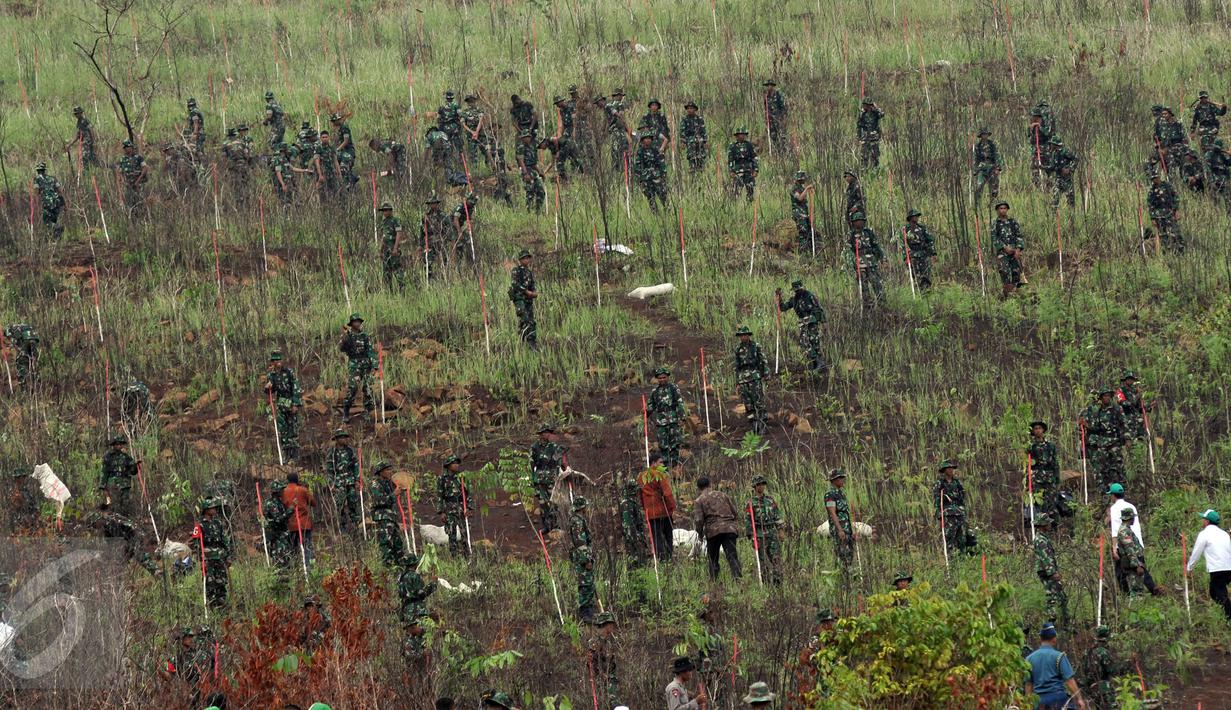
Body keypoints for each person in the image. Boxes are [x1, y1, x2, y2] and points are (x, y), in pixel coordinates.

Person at [1025, 623, 1086, 709]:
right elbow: (1069, 681)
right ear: (1054, 639)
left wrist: (1028, 704)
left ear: (1040, 639)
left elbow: (1028, 684)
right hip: (1058, 700)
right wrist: (1079, 699)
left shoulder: (1029, 659)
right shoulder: (1059, 656)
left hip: (1038, 701)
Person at [1080, 387, 1129, 492]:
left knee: (1118, 464)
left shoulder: (1116, 409)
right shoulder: (1098, 412)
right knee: (1104, 466)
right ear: (1101, 398)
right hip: (1102, 442)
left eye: (1108, 396)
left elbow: (1124, 423)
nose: (1106, 398)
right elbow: (1097, 428)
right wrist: (1086, 425)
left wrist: (1127, 438)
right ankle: (1108, 489)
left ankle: (1123, 487)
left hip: (1115, 440)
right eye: (1104, 396)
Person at [694, 476, 741, 581]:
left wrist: (700, 534)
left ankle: (714, 582)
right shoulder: (723, 495)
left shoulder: (699, 500)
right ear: (710, 484)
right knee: (732, 557)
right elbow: (735, 513)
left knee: (713, 559)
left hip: (713, 532)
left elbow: (699, 520)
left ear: (698, 488)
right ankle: (738, 580)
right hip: (729, 529)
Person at [1188, 509, 1231, 621]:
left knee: (1218, 593)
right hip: (1228, 567)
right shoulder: (1224, 533)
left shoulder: (1204, 534)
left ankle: (1229, 615)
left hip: (1217, 568)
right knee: (1215, 591)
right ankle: (1225, 610)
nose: (1202, 520)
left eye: (1203, 519)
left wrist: (1189, 567)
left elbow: (1197, 552)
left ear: (1207, 521)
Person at [777, 280, 826, 374]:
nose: (797, 292)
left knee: (814, 342)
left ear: (802, 288)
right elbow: (783, 307)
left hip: (812, 322)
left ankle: (819, 364)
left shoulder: (810, 296)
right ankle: (815, 363)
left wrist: (823, 322)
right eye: (796, 290)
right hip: (803, 324)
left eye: (799, 290)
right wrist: (779, 297)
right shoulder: (794, 299)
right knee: (804, 343)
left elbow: (819, 309)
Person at [397, 551, 437, 660]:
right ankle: (420, 657)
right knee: (421, 634)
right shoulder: (414, 576)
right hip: (416, 609)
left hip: (406, 610)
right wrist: (433, 584)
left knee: (411, 634)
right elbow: (422, 593)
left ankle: (410, 656)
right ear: (415, 564)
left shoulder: (401, 578)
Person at [265, 351, 303, 462]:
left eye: (279, 360)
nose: (277, 362)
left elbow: (296, 388)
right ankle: (287, 455)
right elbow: (270, 391)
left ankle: (294, 455)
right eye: (275, 360)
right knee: (283, 430)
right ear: (272, 362)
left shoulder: (289, 372)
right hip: (281, 405)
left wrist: (296, 404)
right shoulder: (271, 375)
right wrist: (267, 387)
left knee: (293, 429)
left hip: (290, 403)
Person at [338, 313, 376, 422]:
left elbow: (370, 351)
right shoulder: (348, 335)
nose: (357, 323)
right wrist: (345, 336)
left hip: (366, 364)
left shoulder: (365, 336)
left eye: (359, 321)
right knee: (353, 388)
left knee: (368, 388)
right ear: (351, 324)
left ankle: (367, 412)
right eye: (355, 321)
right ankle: (346, 412)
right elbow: (342, 348)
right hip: (354, 364)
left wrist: (374, 365)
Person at [195, 498, 232, 610]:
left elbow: (224, 540)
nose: (214, 509)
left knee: (221, 581)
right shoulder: (200, 525)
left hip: (219, 557)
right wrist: (202, 560)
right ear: (206, 510)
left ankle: (222, 603)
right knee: (210, 582)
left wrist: (228, 556)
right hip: (208, 558)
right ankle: (211, 605)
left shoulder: (218, 523)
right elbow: (197, 545)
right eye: (212, 507)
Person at [1033, 513, 1068, 629]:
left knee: (1060, 597)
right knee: (1052, 598)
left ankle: (1062, 623)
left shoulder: (1042, 538)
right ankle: (1052, 625)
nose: (1050, 524)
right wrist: (1053, 573)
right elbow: (1046, 558)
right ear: (1043, 525)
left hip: (1047, 571)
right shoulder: (1041, 540)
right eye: (1047, 523)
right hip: (1047, 572)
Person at [647, 366, 687, 467]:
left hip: (673, 419)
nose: (662, 379)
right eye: (660, 378)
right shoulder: (654, 391)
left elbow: (680, 403)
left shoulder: (673, 388)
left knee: (675, 443)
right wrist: (646, 413)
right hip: (661, 421)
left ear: (667, 377)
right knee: (662, 444)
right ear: (657, 379)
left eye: (664, 377)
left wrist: (682, 417)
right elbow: (651, 405)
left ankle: (675, 464)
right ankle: (664, 465)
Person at [640, 454, 677, 562]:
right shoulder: (660, 474)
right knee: (668, 536)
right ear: (653, 463)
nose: (663, 464)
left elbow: (641, 495)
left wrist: (645, 509)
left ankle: (661, 559)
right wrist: (672, 508)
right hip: (664, 512)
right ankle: (668, 559)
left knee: (656, 538)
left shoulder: (641, 477)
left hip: (650, 514)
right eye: (660, 462)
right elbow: (667, 493)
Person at [733, 325, 769, 433]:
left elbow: (763, 360)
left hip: (754, 377)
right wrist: (737, 382)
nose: (743, 337)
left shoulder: (755, 346)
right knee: (748, 404)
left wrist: (766, 374)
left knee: (758, 402)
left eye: (745, 335)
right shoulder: (738, 349)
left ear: (748, 335)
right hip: (743, 379)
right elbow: (737, 366)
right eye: (741, 335)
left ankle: (762, 425)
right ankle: (754, 425)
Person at [746, 476, 782, 584]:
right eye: (759, 484)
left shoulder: (770, 500)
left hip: (771, 532)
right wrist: (751, 536)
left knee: (776, 559)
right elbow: (748, 520)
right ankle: (766, 584)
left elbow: (777, 515)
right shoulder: (751, 503)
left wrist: (780, 530)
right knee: (763, 562)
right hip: (759, 534)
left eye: (763, 484)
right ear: (755, 486)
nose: (761, 486)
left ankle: (778, 584)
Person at [1114, 508, 1157, 597]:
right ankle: (1136, 606)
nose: (1134, 519)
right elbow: (1129, 550)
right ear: (1129, 518)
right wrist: (1137, 565)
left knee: (1139, 586)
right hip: (1133, 563)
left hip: (1135, 561)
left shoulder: (1127, 529)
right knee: (1137, 589)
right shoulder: (1124, 531)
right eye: (1132, 517)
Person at [529, 424, 563, 533]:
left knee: (554, 502)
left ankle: (556, 525)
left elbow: (560, 461)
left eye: (548, 432)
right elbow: (531, 463)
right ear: (541, 434)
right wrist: (531, 479)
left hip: (552, 479)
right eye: (544, 432)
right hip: (539, 479)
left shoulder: (554, 446)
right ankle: (547, 526)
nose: (547, 434)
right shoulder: (535, 447)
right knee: (543, 504)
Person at [933, 459, 972, 555]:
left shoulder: (957, 483)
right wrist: (939, 514)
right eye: (949, 468)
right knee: (949, 537)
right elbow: (938, 500)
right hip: (947, 514)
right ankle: (950, 560)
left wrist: (963, 511)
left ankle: (963, 557)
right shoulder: (940, 483)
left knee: (962, 537)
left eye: (952, 468)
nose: (951, 470)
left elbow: (962, 497)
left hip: (959, 513)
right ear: (944, 470)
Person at [325, 430, 360, 532]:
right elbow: (329, 470)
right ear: (337, 439)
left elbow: (356, 465)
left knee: (353, 502)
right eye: (342, 437)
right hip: (338, 483)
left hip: (351, 482)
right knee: (340, 505)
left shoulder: (350, 450)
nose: (345, 439)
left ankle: (356, 525)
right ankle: (342, 527)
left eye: (345, 437)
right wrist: (332, 485)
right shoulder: (332, 452)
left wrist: (357, 480)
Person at [848, 212, 884, 309]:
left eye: (861, 220)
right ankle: (868, 307)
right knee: (863, 287)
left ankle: (882, 304)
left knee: (877, 283)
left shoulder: (868, 232)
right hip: (859, 264)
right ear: (854, 223)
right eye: (857, 221)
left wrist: (882, 258)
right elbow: (849, 251)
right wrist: (852, 264)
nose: (859, 223)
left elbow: (876, 245)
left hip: (871, 262)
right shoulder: (851, 235)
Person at [368, 462, 401, 567]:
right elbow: (378, 501)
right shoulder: (375, 484)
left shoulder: (389, 483)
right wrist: (393, 495)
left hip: (392, 518)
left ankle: (398, 569)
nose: (389, 472)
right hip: (383, 518)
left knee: (398, 545)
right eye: (387, 470)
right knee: (386, 545)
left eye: (390, 469)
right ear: (381, 472)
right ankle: (387, 570)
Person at [990, 201, 1025, 298]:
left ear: (1007, 209)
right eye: (1001, 208)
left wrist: (1018, 250)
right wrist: (1004, 247)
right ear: (997, 210)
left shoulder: (1013, 222)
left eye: (1005, 208)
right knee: (1004, 271)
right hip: (1002, 252)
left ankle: (1018, 292)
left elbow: (1019, 236)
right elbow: (994, 238)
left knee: (1016, 272)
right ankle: (1007, 293)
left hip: (1014, 252)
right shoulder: (995, 223)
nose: (1003, 210)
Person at [1027, 421, 1061, 518]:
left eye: (1039, 428)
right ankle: (1040, 526)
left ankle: (1053, 527)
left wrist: (1057, 478)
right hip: (1036, 479)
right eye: (1035, 429)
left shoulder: (1050, 446)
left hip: (1049, 478)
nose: (1037, 430)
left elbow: (1055, 462)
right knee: (1038, 503)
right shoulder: (1030, 447)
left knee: (1051, 503)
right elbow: (1027, 464)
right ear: (1033, 431)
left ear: (1043, 430)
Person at [1086, 626, 1125, 710]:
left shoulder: (1089, 651)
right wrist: (1127, 666)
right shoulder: (1103, 652)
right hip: (1103, 687)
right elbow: (1113, 670)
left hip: (1092, 688)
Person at [99, 436, 139, 517]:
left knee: (125, 505)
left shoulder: (126, 457)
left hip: (125, 484)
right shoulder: (108, 457)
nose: (119, 446)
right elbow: (104, 472)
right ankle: (115, 525)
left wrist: (135, 466)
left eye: (121, 444)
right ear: (114, 445)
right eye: (117, 444)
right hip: (113, 484)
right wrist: (103, 486)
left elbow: (133, 471)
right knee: (115, 506)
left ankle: (125, 524)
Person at [588, 612, 621, 707]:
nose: (613, 627)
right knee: (614, 703)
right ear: (606, 625)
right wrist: (603, 677)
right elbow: (593, 665)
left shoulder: (610, 640)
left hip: (612, 678)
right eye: (611, 624)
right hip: (603, 681)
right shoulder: (595, 642)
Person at [283, 471, 316, 566]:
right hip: (304, 524)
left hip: (291, 525)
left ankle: (295, 570)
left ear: (287, 481)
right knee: (307, 548)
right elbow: (313, 503)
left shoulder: (283, 492)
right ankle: (309, 569)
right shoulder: (303, 490)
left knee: (293, 549)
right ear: (297, 480)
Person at [437, 455, 468, 556]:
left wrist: (469, 507)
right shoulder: (442, 479)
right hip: (449, 509)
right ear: (448, 466)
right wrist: (441, 512)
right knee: (452, 533)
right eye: (454, 463)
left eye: (457, 463)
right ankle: (454, 556)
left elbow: (467, 493)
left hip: (460, 508)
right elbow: (439, 496)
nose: (456, 465)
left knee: (464, 532)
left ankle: (467, 554)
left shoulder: (461, 477)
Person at [1146, 169, 1183, 252]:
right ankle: (1167, 251)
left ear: (1159, 177)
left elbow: (1175, 197)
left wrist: (1176, 210)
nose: (1155, 180)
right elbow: (1150, 205)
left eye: (1156, 178)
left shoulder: (1167, 186)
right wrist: (1152, 218)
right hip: (1159, 216)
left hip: (1170, 213)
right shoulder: (1152, 191)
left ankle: (1180, 250)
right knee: (1163, 235)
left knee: (1175, 232)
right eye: (1153, 179)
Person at [902, 208, 937, 290]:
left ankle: (927, 292)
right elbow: (903, 244)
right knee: (915, 276)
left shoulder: (922, 228)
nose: (917, 218)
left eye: (917, 216)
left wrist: (933, 253)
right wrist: (905, 257)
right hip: (912, 256)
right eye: (915, 216)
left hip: (923, 255)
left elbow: (930, 240)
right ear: (910, 217)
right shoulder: (905, 230)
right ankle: (918, 294)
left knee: (926, 275)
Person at [508, 249, 538, 348]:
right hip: (520, 299)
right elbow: (515, 284)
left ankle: (531, 342)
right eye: (524, 258)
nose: (526, 260)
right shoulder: (516, 270)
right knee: (524, 320)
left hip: (528, 300)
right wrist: (526, 291)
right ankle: (524, 341)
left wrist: (534, 293)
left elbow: (532, 285)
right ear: (520, 260)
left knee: (531, 321)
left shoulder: (529, 273)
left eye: (528, 258)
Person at [633, 130, 669, 211]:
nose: (648, 140)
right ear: (642, 140)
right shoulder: (640, 152)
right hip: (646, 179)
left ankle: (668, 213)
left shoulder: (655, 150)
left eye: (649, 138)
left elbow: (661, 164)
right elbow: (638, 167)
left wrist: (663, 175)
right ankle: (655, 216)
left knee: (663, 196)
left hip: (657, 178)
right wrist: (639, 180)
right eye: (646, 138)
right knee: (650, 198)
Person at [825, 469, 853, 566]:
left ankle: (848, 577)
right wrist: (840, 530)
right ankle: (842, 577)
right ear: (834, 480)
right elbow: (832, 513)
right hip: (839, 530)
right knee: (841, 555)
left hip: (847, 529)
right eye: (840, 478)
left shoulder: (841, 494)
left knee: (849, 555)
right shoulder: (830, 495)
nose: (842, 480)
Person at [264, 479, 293, 569]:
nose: (283, 491)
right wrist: (290, 510)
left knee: (287, 557)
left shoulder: (279, 502)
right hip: (277, 536)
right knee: (281, 559)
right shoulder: (272, 504)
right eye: (281, 490)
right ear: (276, 491)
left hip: (282, 535)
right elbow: (278, 519)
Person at [620, 479, 649, 566]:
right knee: (635, 564)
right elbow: (628, 525)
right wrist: (636, 539)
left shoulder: (632, 503)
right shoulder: (626, 504)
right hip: (632, 542)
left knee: (641, 564)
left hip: (637, 539)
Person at [33, 163, 65, 239]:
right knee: (54, 219)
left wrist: (36, 204)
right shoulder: (53, 178)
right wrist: (63, 202)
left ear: (38, 171)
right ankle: (55, 238)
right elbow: (60, 190)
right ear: (44, 170)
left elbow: (36, 192)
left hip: (46, 202)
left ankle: (57, 228)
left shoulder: (37, 179)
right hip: (56, 201)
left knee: (47, 221)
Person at [515, 130, 545, 212]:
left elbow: (534, 162)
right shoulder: (520, 147)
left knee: (541, 191)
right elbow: (520, 161)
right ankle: (529, 211)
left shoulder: (532, 147)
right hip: (525, 170)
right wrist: (525, 174)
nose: (526, 139)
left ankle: (538, 211)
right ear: (522, 138)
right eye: (524, 137)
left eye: (528, 137)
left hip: (533, 171)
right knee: (530, 192)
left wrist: (540, 172)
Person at [117, 140, 149, 211]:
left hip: (138, 184)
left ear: (132, 147)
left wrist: (139, 180)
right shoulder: (122, 159)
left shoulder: (138, 157)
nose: (126, 148)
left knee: (141, 202)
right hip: (128, 185)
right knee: (130, 203)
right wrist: (122, 182)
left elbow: (145, 168)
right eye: (125, 147)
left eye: (128, 147)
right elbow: (119, 173)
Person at [1116, 370, 1149, 441]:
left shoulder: (1135, 391)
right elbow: (1123, 403)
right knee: (1128, 440)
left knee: (1140, 440)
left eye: (1132, 379)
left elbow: (1139, 407)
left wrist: (1148, 407)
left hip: (1137, 420)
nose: (1131, 381)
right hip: (1126, 419)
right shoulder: (1120, 390)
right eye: (1129, 379)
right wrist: (1136, 397)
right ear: (1125, 380)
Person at [727, 128, 758, 201]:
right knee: (737, 189)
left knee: (750, 188)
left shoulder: (749, 145)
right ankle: (735, 205)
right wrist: (731, 170)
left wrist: (755, 169)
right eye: (740, 134)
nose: (742, 136)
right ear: (737, 136)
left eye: (743, 134)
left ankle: (749, 203)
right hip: (738, 170)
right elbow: (730, 160)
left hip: (748, 170)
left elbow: (754, 157)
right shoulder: (733, 146)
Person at [972, 128, 1002, 202]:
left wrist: (998, 168)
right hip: (982, 168)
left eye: (986, 134)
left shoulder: (992, 145)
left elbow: (997, 156)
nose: (985, 136)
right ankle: (977, 203)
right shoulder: (977, 146)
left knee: (994, 186)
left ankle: (993, 202)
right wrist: (975, 169)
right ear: (981, 136)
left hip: (992, 167)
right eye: (983, 134)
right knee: (979, 186)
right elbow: (975, 158)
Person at [1047, 135, 1077, 208]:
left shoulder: (1065, 152)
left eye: (1051, 144)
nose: (1050, 145)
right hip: (1058, 180)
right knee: (1054, 202)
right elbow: (1053, 167)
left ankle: (1071, 217)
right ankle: (1054, 217)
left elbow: (1075, 160)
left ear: (1055, 144)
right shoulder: (1054, 154)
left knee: (1070, 201)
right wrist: (1044, 168)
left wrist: (1069, 169)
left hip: (1067, 180)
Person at [789, 171, 815, 254]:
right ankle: (803, 253)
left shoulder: (801, 188)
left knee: (809, 233)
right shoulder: (794, 189)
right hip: (799, 214)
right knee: (802, 233)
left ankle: (809, 251)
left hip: (805, 214)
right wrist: (807, 189)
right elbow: (799, 198)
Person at [679, 101, 708, 172]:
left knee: (701, 156)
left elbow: (703, 130)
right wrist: (682, 142)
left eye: (691, 108)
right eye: (688, 108)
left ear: (695, 109)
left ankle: (701, 169)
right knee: (691, 156)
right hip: (690, 140)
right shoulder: (684, 119)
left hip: (699, 140)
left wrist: (705, 141)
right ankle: (692, 169)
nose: (689, 110)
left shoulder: (699, 119)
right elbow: (682, 131)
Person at [572, 544, 597, 622]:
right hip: (583, 562)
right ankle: (585, 614)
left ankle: (590, 612)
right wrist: (587, 560)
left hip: (586, 557)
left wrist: (591, 558)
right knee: (585, 586)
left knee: (590, 587)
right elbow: (580, 543)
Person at [857, 98, 884, 168]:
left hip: (874, 138)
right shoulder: (862, 114)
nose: (863, 106)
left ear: (869, 105)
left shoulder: (875, 113)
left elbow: (882, 114)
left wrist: (876, 108)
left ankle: (875, 169)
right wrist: (859, 137)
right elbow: (859, 125)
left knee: (875, 155)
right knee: (864, 156)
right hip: (865, 138)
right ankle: (864, 169)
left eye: (865, 105)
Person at [763, 79, 787, 151]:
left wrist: (783, 120)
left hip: (779, 120)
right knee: (773, 138)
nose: (768, 87)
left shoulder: (778, 95)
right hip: (770, 121)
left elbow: (783, 108)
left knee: (782, 137)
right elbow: (766, 110)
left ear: (773, 86)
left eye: (769, 85)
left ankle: (784, 153)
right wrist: (766, 121)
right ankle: (775, 154)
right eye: (767, 86)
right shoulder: (766, 97)